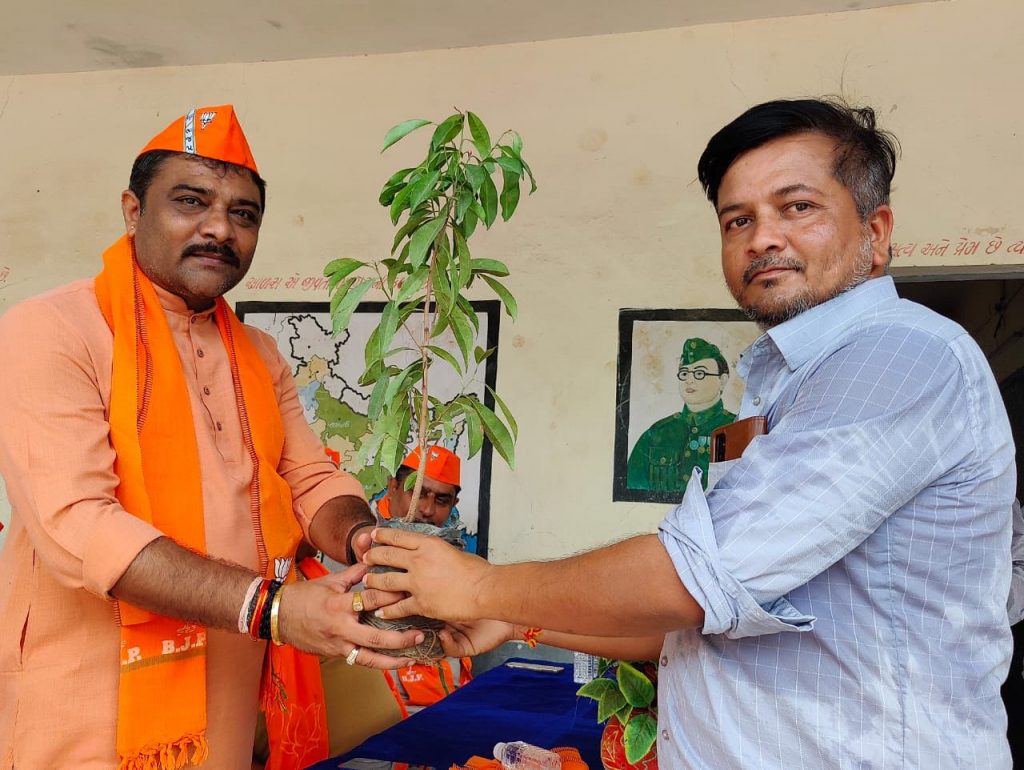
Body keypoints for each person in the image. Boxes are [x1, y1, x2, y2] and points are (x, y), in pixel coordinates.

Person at [362, 98, 1022, 767]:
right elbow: (704, 620)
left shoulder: (901, 355)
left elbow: (691, 580)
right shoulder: (785, 385)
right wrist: (513, 618)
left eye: (797, 207)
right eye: (739, 220)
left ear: (876, 234)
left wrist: (478, 587)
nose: (761, 238)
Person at [0, 105, 420, 770]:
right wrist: (272, 609)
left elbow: (309, 479)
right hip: (83, 704)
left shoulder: (259, 353)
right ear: (132, 212)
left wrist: (364, 539)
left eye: (242, 214)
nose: (220, 228)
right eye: (190, 201)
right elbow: (78, 526)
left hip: (225, 694)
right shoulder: (51, 330)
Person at [375, 446, 474, 709]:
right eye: (417, 493)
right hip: (379, 705)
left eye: (441, 500)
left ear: (454, 505)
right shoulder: (356, 545)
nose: (427, 509)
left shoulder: (455, 555)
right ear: (393, 487)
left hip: (447, 700)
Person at [627, 337, 736, 492]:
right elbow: (631, 492)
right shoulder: (657, 434)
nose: (689, 380)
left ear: (722, 380)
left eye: (699, 373)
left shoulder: (737, 429)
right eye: (684, 373)